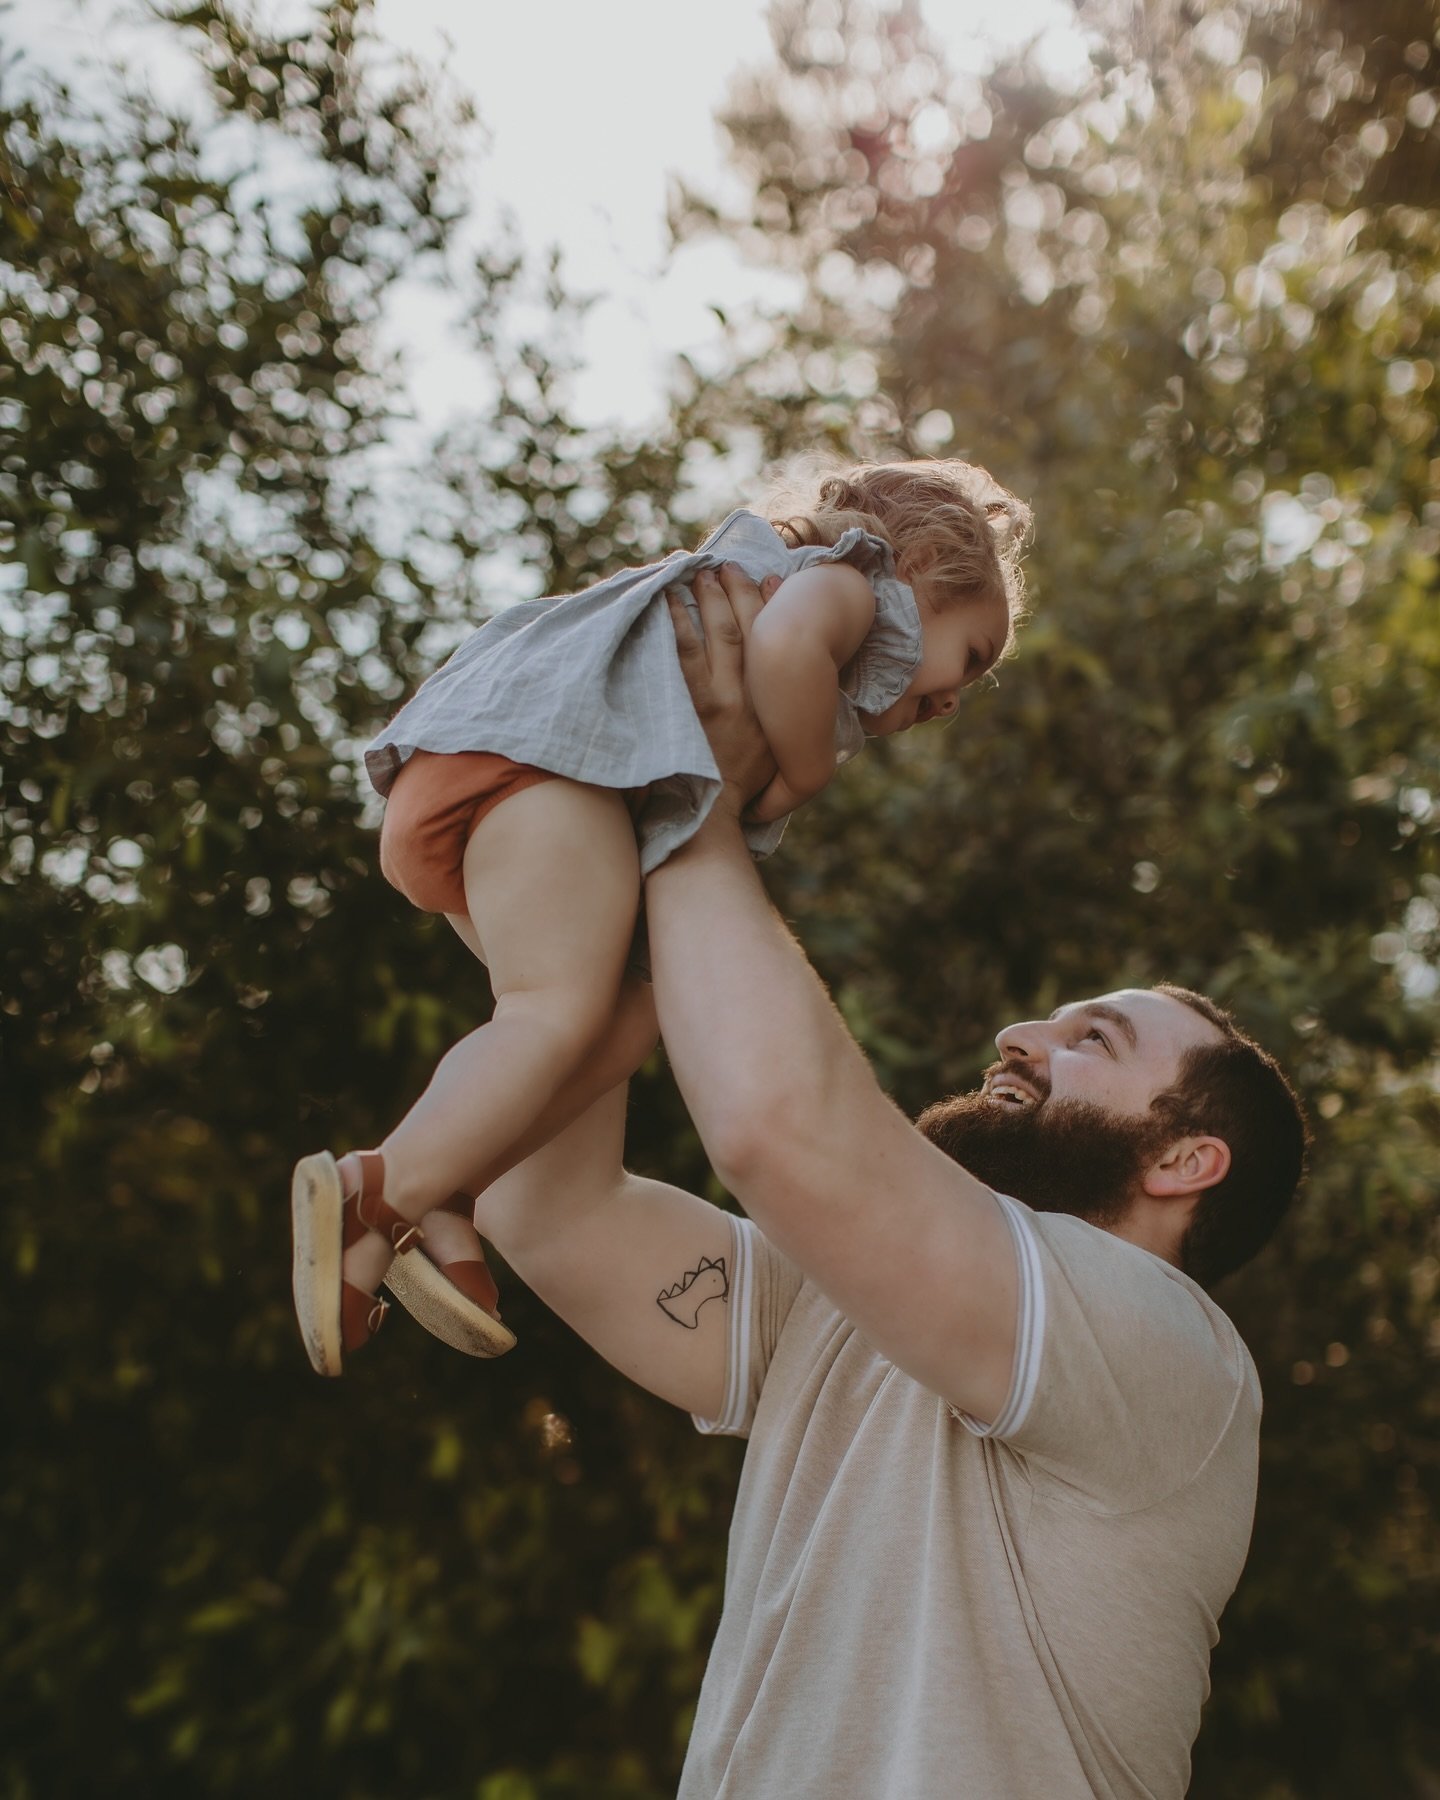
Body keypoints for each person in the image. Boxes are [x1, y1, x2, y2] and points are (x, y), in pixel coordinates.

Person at [456, 564, 1310, 1798]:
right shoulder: (847, 1316)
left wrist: (695, 788)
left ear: (1186, 1159)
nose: (1026, 1036)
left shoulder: (1174, 1362)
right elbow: (548, 1207)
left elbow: (778, 1129)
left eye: (1095, 1043)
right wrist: (551, 952)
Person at [291, 458, 1032, 1376]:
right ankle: (377, 1188)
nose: (960, 696)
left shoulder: (809, 583)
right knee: (550, 1012)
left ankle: (446, 1182)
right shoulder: (852, 581)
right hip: (546, 769)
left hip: (512, 785)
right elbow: (784, 649)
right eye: (975, 654)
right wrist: (800, 774)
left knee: (617, 1017)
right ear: (923, 563)